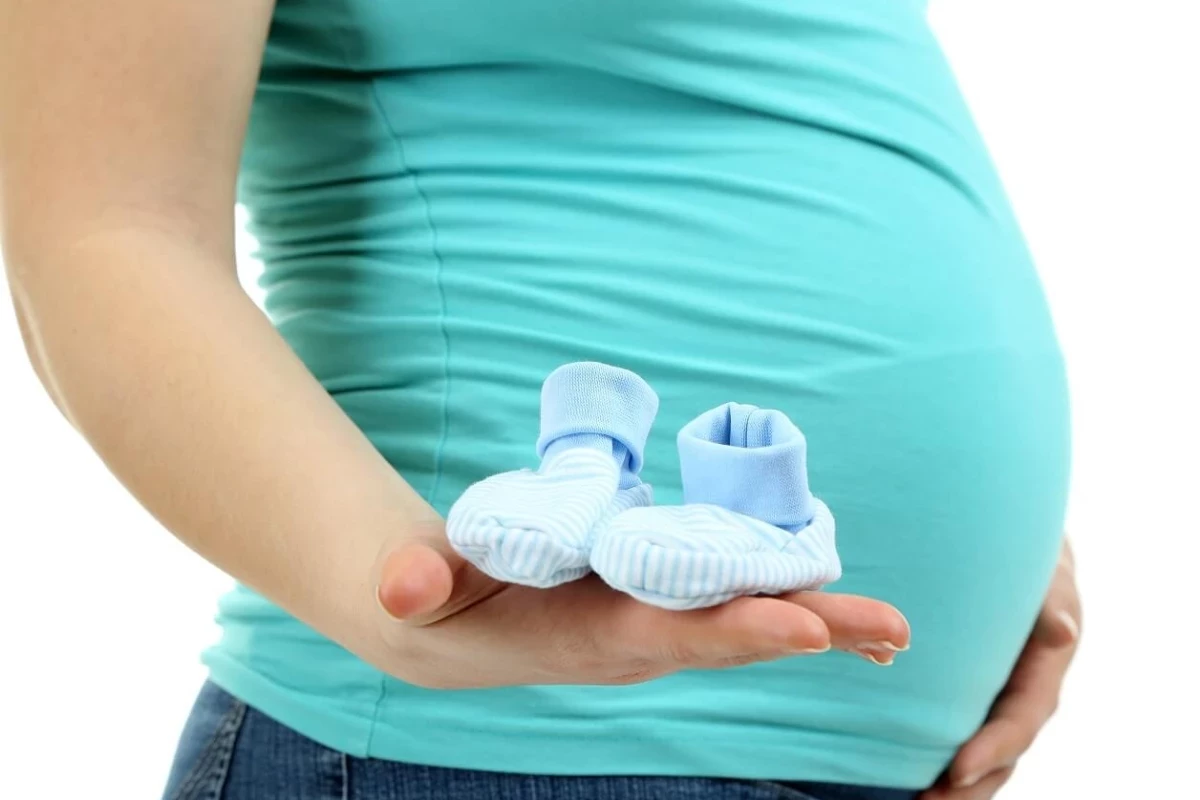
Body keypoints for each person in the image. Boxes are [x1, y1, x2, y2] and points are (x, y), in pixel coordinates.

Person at [0, 1, 1082, 798]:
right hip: (485, 748)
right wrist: (400, 597)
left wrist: (997, 527)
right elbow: (104, 227)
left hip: (887, 753)